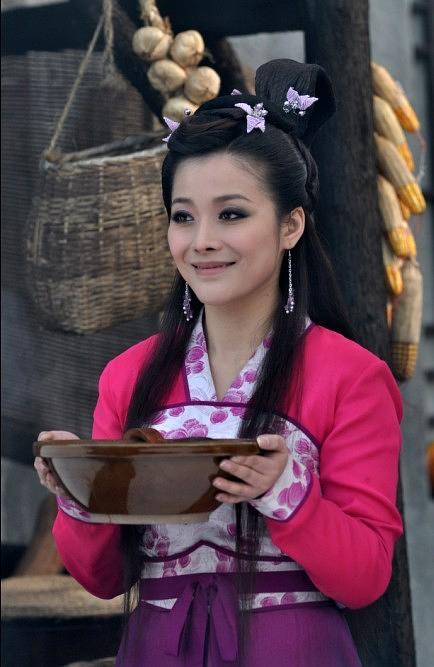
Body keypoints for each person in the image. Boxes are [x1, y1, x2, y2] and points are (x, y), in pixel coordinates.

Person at [34, 59, 403, 666]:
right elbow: (101, 580)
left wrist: (287, 492)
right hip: (155, 648)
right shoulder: (128, 376)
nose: (201, 239)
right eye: (183, 216)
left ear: (290, 225)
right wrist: (80, 490)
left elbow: (365, 578)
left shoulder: (352, 377)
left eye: (231, 213)